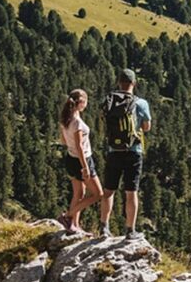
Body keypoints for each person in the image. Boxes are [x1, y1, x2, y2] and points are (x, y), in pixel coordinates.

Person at [98, 68, 153, 238]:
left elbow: (103, 120)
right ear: (134, 83)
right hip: (133, 150)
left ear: (119, 82)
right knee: (131, 192)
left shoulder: (109, 100)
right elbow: (147, 127)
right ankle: (130, 230)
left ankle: (104, 228)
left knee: (109, 190)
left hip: (114, 150)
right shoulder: (140, 103)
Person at [57, 89, 104, 234]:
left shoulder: (66, 119)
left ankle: (74, 225)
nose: (86, 105)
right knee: (98, 194)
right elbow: (80, 147)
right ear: (81, 102)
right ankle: (68, 216)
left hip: (70, 159)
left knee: (79, 194)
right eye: (86, 102)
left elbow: (64, 141)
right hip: (82, 160)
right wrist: (85, 168)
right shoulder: (77, 122)